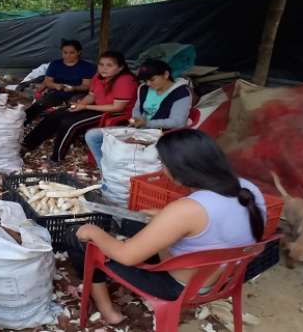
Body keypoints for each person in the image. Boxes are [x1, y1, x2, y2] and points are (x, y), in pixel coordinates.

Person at [67, 129, 267, 324]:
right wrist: (166, 217)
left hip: (180, 285)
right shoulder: (248, 188)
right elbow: (211, 221)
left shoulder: (186, 210)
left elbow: (127, 257)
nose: (162, 169)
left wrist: (92, 231)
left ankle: (108, 310)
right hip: (227, 276)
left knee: (82, 240)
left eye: (163, 164)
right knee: (133, 223)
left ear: (180, 170)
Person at [21, 51, 137, 163]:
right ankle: (27, 145)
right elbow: (91, 95)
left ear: (120, 68)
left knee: (69, 123)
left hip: (113, 113)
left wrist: (85, 107)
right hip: (96, 107)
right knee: (56, 114)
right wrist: (80, 104)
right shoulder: (98, 76)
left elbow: (117, 107)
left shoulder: (125, 80)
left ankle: (56, 158)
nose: (104, 68)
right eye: (101, 65)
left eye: (109, 65)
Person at [85, 58, 192, 164]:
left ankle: (123, 172)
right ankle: (104, 169)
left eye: (152, 79)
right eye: (145, 81)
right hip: (140, 130)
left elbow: (178, 122)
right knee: (92, 136)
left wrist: (147, 123)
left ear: (166, 74)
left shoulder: (180, 93)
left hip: (162, 134)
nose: (149, 84)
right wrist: (136, 120)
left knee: (122, 150)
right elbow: (136, 109)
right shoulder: (144, 88)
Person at [24, 39, 96, 125]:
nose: (68, 56)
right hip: (58, 92)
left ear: (79, 52)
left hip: (78, 94)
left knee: (68, 111)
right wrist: (56, 85)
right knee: (38, 105)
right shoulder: (55, 64)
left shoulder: (87, 67)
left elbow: (86, 85)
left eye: (72, 53)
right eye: (65, 53)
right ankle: (21, 123)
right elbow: (47, 81)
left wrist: (74, 88)